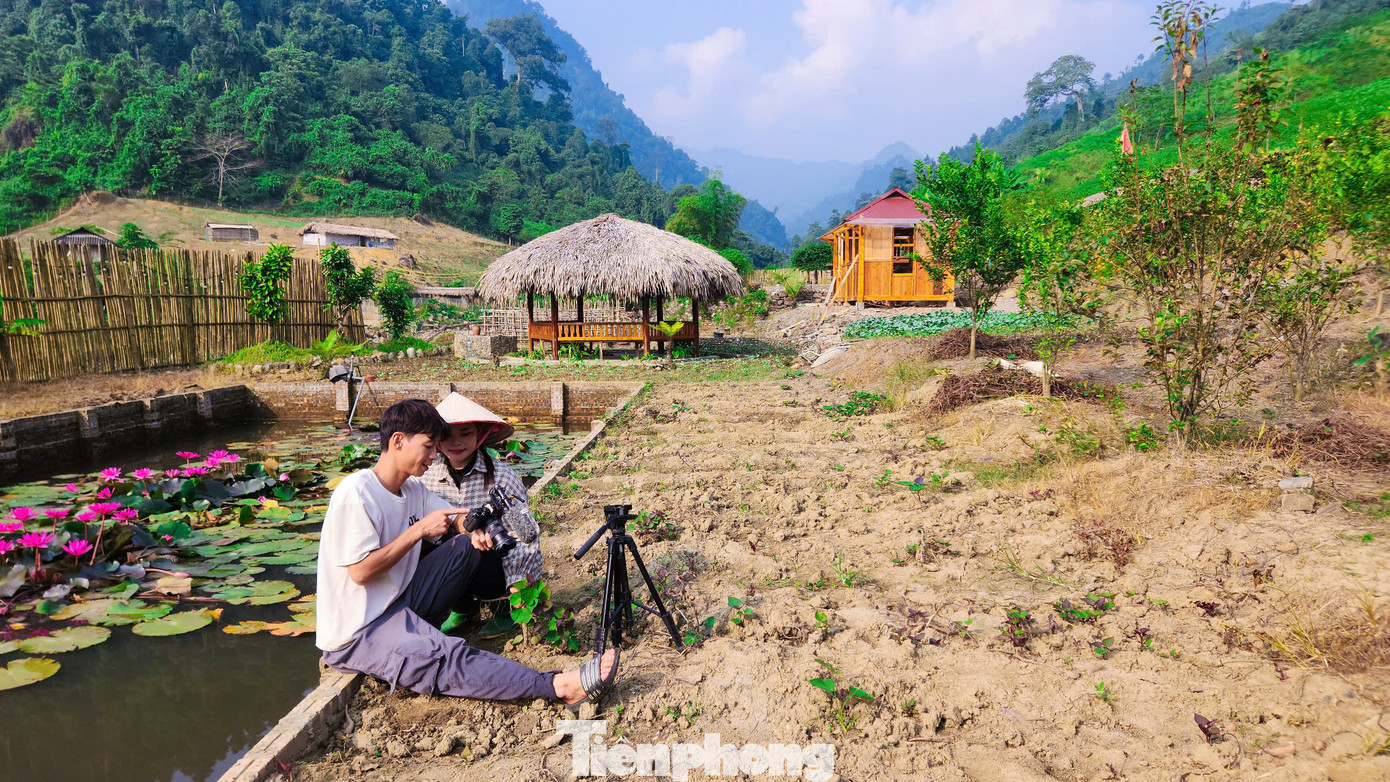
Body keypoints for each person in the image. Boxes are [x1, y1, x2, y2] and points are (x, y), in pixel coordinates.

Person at [316, 399, 617, 706]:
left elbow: (453, 518)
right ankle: (557, 686)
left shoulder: (413, 489)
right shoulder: (357, 493)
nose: (435, 456)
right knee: (445, 653)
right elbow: (360, 572)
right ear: (398, 441)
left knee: (462, 547)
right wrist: (417, 531)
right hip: (361, 631)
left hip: (398, 603)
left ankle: (433, 628)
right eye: (430, 445)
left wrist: (471, 529)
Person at [418, 392, 543, 640]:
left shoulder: (502, 477)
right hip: (448, 559)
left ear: (480, 435)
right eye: (447, 436)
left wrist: (518, 582)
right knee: (418, 538)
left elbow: (525, 534)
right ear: (437, 440)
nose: (456, 443)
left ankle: (503, 609)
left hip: (492, 565)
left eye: (466, 434)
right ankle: (463, 607)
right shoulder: (426, 478)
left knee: (476, 544)